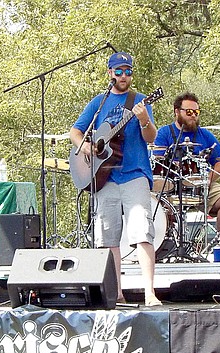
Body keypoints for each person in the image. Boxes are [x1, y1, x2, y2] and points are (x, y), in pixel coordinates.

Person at [69, 52, 161, 306]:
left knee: (142, 231)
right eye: (118, 71)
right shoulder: (99, 102)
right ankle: (115, 292)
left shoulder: (140, 101)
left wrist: (143, 119)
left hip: (134, 173)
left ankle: (149, 292)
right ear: (110, 73)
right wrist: (85, 146)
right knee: (107, 238)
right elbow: (75, 131)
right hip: (105, 176)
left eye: (128, 71)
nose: (123, 76)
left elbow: (151, 137)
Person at [153, 92, 220, 233]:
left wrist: (208, 179)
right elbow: (157, 161)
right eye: (189, 111)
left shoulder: (205, 135)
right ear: (177, 112)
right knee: (150, 202)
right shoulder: (164, 133)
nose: (193, 115)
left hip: (201, 185)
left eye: (196, 112)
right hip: (169, 187)